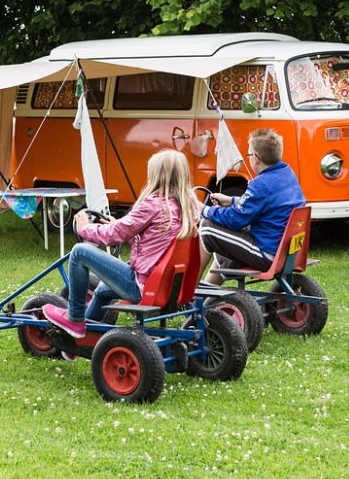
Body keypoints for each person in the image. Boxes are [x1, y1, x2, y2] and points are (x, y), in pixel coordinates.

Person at [43, 149, 200, 338]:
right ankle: (82, 339)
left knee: (79, 252)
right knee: (101, 291)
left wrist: (84, 227)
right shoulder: (186, 206)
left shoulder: (152, 205)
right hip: (168, 286)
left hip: (143, 287)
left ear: (157, 176)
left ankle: (74, 318)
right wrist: (117, 224)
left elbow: (113, 235)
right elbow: (153, 238)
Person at [199, 128, 305, 284]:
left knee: (207, 227)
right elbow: (265, 204)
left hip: (266, 254)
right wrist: (232, 201)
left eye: (248, 154)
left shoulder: (260, 184)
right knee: (226, 250)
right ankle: (203, 299)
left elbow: (235, 220)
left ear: (255, 158)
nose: (248, 157)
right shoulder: (287, 173)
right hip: (286, 252)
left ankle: (188, 292)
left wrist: (203, 209)